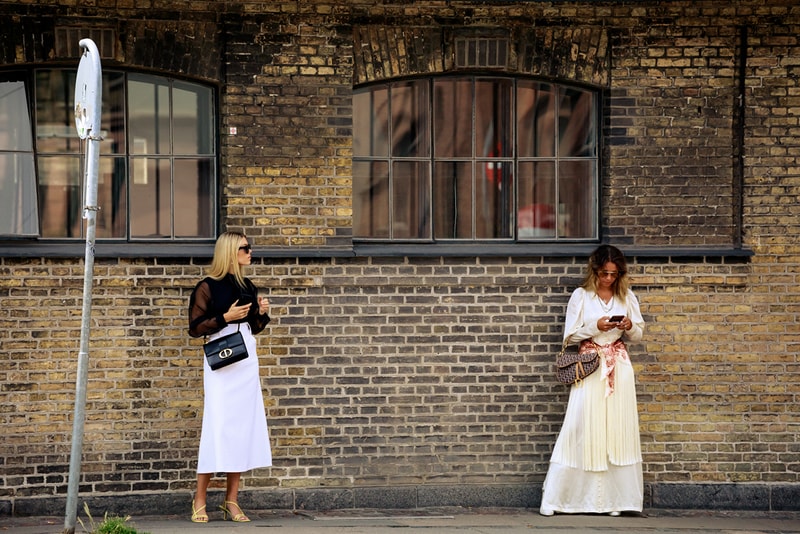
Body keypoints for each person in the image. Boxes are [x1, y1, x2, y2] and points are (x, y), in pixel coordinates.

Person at [540, 244, 645, 517]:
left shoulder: (627, 297)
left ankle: (614, 501)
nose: (608, 278)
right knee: (581, 426)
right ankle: (559, 499)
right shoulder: (581, 296)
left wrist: (628, 326)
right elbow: (569, 336)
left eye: (614, 273)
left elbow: (638, 335)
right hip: (590, 367)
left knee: (616, 431)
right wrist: (595, 326)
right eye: (603, 273)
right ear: (594, 271)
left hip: (619, 368)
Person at [188, 232, 272, 523]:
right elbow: (195, 328)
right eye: (245, 248)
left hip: (246, 361)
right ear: (230, 252)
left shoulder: (247, 286)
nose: (250, 252)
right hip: (221, 363)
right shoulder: (207, 287)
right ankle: (200, 499)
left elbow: (254, 327)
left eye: (250, 247)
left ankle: (231, 500)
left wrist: (259, 313)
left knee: (242, 428)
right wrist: (226, 316)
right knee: (218, 426)